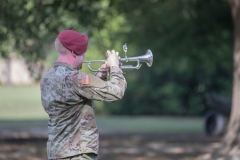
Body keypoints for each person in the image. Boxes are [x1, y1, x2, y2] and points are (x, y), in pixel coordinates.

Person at [40, 30, 127, 160]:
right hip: (77, 154)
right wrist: (115, 67)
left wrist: (100, 75)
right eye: (83, 53)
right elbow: (116, 92)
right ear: (74, 53)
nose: (85, 57)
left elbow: (75, 98)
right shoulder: (76, 78)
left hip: (56, 153)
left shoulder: (47, 78)